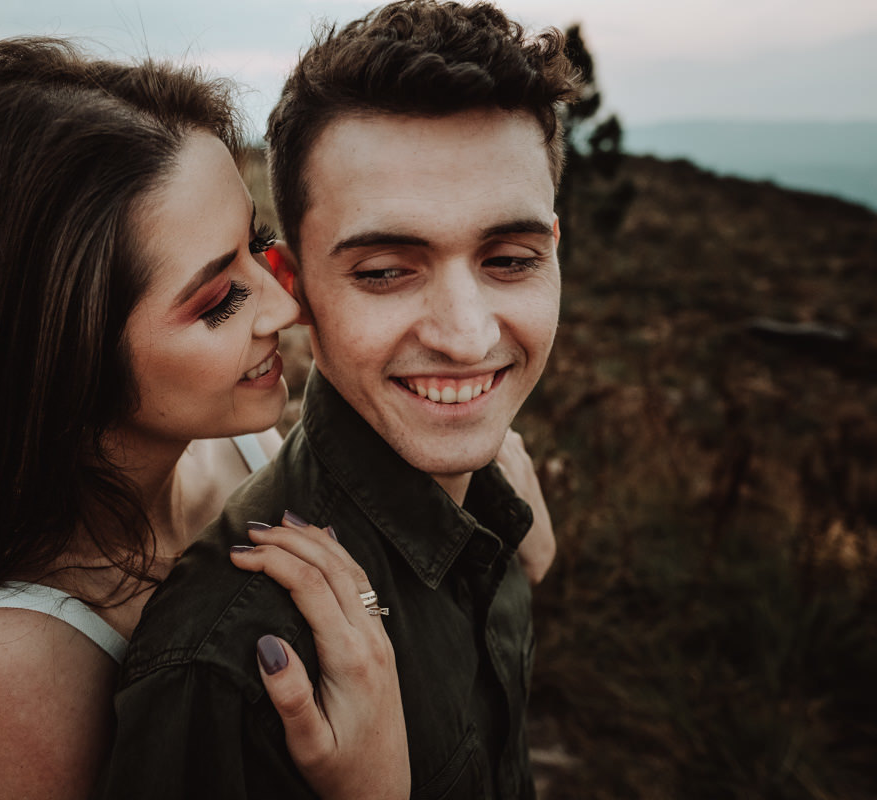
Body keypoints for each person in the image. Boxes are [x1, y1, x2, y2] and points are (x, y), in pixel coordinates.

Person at [0, 37, 415, 800]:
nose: (284, 305)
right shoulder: (8, 663)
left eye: (257, 244)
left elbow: (384, 604)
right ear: (60, 349)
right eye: (217, 301)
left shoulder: (234, 448)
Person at [94, 2, 578, 797]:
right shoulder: (235, 661)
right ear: (295, 288)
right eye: (386, 270)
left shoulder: (500, 506)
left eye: (510, 259)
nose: (464, 337)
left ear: (554, 250)